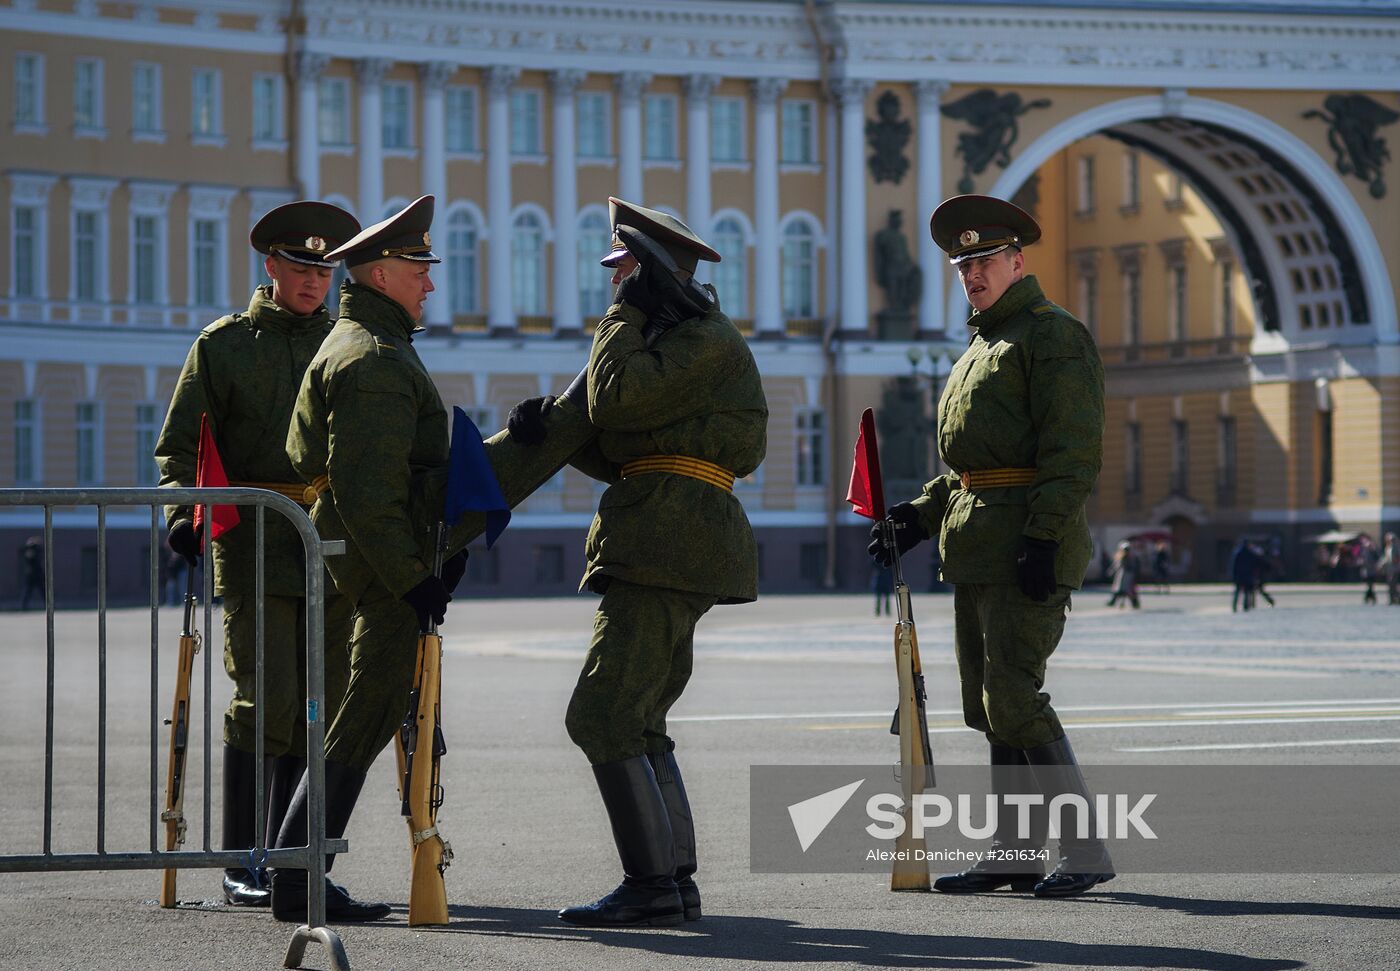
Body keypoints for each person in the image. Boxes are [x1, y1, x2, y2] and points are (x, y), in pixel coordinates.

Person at [271, 196, 598, 923]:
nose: (431, 283)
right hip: (382, 555)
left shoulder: (371, 345)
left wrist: (504, 443)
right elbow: (368, 491)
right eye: (420, 269)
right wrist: (412, 575)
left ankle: (298, 873)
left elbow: (406, 471)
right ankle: (297, 877)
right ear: (383, 273)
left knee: (372, 704)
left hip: (382, 549)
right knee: (366, 707)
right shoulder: (374, 359)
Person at [512, 198, 767, 927]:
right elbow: (628, 442)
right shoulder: (681, 340)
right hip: (666, 532)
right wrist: (548, 429)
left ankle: (652, 882)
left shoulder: (701, 339)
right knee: (641, 715)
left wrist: (617, 319)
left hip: (669, 538)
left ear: (648, 270)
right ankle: (672, 877)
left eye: (622, 267)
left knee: (602, 711)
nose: (613, 281)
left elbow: (618, 398)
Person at [868, 194, 1112, 898]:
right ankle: (1014, 852)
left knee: (1012, 693)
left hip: (1025, 549)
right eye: (961, 264)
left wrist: (1043, 536)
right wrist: (914, 517)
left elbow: (1071, 453)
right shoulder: (981, 347)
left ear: (1017, 261)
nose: (970, 274)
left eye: (982, 261)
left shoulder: (1051, 336)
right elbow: (969, 470)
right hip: (977, 550)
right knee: (987, 704)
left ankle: (1085, 846)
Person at [154, 201, 361, 908]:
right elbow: (180, 445)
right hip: (255, 547)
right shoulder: (225, 345)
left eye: (325, 268)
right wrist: (185, 513)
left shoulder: (346, 342)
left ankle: (299, 862)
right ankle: (246, 858)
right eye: (301, 266)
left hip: (331, 552)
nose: (314, 280)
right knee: (263, 703)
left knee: (324, 706)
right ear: (271, 266)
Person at [1106, 541, 1140, 609]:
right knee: (1120, 590)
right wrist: (1111, 571)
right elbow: (1116, 566)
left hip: (1127, 576)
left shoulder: (1131, 557)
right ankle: (1116, 602)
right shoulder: (1121, 556)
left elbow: (1133, 567)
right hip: (1121, 575)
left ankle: (1134, 603)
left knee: (1127, 590)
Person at [1229, 537, 1258, 612]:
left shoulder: (1238, 553)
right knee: (1247, 592)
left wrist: (1233, 576)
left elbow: (1234, 566)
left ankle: (1235, 606)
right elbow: (1254, 565)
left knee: (1238, 592)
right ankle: (1246, 606)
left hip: (1239, 576)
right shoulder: (1250, 553)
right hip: (1247, 576)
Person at [20, 537, 44, 610]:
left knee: (43, 591)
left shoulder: (38, 550)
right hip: (31, 575)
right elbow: (28, 557)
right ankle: (24, 606)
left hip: (38, 574)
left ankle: (49, 605)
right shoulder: (29, 550)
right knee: (27, 591)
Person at [1358, 535, 1380, 605]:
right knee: (1369, 585)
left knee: (1370, 585)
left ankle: (1368, 597)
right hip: (1366, 571)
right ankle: (1371, 597)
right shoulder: (1364, 551)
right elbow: (1362, 560)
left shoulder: (1374, 552)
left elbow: (1377, 559)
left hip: (1372, 570)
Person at [1380, 533, 1400, 605]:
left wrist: (1395, 561)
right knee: (1390, 585)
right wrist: (1381, 565)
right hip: (1389, 569)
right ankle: (1392, 599)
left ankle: (1395, 599)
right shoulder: (1387, 548)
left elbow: (1397, 558)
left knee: (1393, 584)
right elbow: (1386, 558)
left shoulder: (1396, 547)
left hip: (1395, 569)